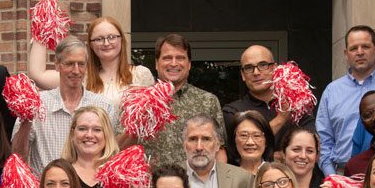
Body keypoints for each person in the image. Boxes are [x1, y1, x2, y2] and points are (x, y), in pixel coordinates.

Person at [12, 36, 113, 176]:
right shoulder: (37, 104)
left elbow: (110, 155)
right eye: (70, 64)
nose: (76, 71)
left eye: (81, 64)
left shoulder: (103, 106)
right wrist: (26, 120)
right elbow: (17, 156)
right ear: (57, 65)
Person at [134, 34, 225, 168]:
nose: (174, 63)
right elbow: (116, 147)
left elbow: (220, 150)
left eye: (180, 58)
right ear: (156, 63)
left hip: (196, 185)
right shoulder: (137, 101)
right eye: (167, 58)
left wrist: (217, 185)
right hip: (150, 186)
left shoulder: (208, 101)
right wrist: (136, 122)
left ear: (189, 64)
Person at [27, 15, 154, 108]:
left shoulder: (141, 75)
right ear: (91, 45)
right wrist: (41, 29)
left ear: (121, 39)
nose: (106, 43)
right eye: (98, 39)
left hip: (129, 144)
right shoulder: (82, 76)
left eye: (111, 37)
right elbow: (37, 75)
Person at [316, 25, 375, 175]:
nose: (359, 52)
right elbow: (323, 141)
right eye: (354, 48)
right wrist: (332, 177)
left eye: (365, 46)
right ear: (346, 54)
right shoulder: (332, 91)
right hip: (344, 173)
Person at [221, 44, 315, 153]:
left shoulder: (297, 106)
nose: (256, 72)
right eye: (249, 68)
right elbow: (240, 152)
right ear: (242, 75)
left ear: (275, 68)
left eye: (263, 65)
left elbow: (312, 147)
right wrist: (281, 118)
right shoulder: (232, 111)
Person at [230, 110, 275, 174]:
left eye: (256, 136)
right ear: (234, 140)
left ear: (267, 141)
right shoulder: (226, 176)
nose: (250, 142)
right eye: (243, 135)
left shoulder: (276, 174)